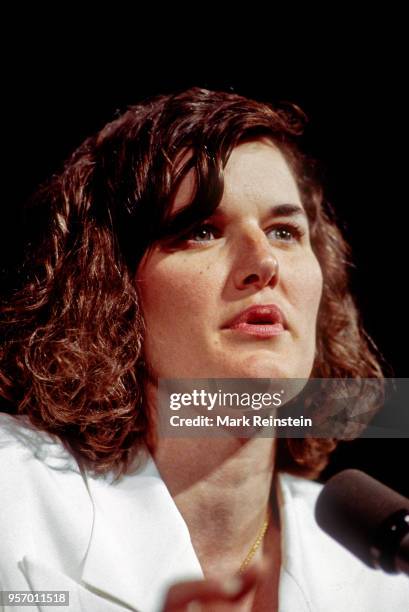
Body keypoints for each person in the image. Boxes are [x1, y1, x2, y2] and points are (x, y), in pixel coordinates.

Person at [0, 88, 407, 612]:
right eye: (202, 231)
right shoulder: (14, 492)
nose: (264, 262)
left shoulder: (382, 572)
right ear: (110, 287)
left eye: (284, 231)